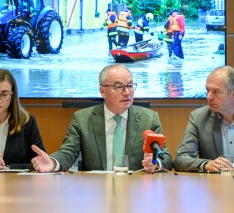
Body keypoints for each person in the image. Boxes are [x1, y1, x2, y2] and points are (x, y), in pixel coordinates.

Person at [31, 64, 173, 173]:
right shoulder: (82, 119)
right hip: (96, 191)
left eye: (130, 86)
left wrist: (156, 164)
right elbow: (68, 151)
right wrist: (53, 163)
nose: (127, 92)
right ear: (102, 91)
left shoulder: (148, 118)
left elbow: (164, 156)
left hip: (137, 190)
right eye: (119, 87)